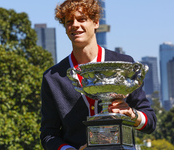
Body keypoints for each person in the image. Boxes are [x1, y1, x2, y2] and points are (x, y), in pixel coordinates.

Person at [40, 0, 157, 149]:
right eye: (69, 21)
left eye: (82, 19)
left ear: (96, 22)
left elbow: (150, 121)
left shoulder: (124, 65)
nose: (75, 25)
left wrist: (132, 114)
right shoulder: (53, 77)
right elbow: (48, 134)